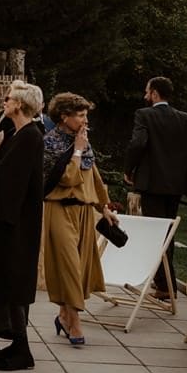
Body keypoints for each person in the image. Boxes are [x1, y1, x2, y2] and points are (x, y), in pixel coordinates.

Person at [44, 92, 119, 345]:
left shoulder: (83, 140)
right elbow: (67, 179)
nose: (85, 121)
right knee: (69, 265)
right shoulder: (50, 142)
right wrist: (76, 151)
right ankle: (75, 322)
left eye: (86, 115)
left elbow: (93, 175)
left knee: (82, 266)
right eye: (81, 116)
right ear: (64, 117)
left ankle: (64, 314)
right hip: (59, 209)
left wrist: (104, 206)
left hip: (85, 210)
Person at [124, 76, 187, 300]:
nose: (144, 96)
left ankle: (165, 285)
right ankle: (164, 282)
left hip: (152, 184)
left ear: (155, 94)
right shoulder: (185, 119)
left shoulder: (144, 115)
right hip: (175, 186)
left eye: (147, 92)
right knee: (167, 234)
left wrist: (129, 169)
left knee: (156, 235)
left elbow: (138, 143)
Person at [0, 81, 45, 371]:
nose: (4, 102)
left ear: (19, 104)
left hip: (16, 225)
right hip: (10, 221)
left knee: (15, 282)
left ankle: (23, 349)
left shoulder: (29, 136)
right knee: (9, 283)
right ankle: (16, 342)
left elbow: (6, 179)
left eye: (8, 99)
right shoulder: (21, 134)